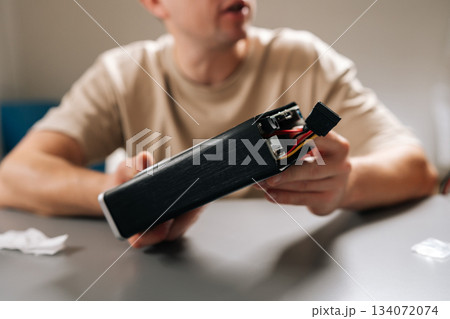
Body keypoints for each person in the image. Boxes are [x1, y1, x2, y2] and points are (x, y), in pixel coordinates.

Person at [0, 0, 437, 247]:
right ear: (155, 3)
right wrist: (125, 198)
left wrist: (350, 184)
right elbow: (14, 177)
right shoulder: (122, 72)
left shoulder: (306, 59)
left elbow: (418, 170)